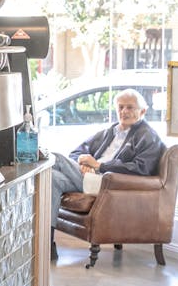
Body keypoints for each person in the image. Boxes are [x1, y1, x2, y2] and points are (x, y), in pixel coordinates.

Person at [49, 88, 166, 260]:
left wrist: (99, 165)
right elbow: (78, 151)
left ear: (143, 111)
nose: (124, 112)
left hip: (110, 185)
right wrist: (82, 162)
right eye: (120, 107)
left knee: (55, 158)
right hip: (88, 178)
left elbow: (140, 169)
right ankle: (48, 245)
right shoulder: (110, 131)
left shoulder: (148, 137)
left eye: (130, 107)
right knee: (51, 177)